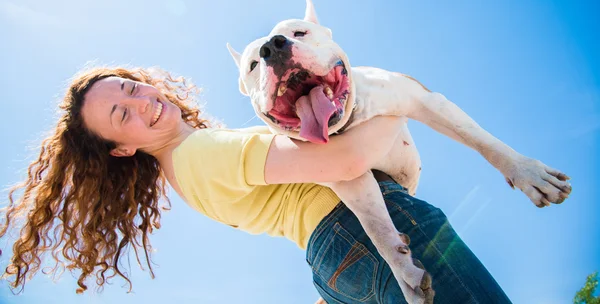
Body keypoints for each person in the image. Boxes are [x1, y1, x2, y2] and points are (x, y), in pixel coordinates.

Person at [0, 65, 512, 303]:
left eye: (133, 89)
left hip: (336, 267)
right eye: (123, 114)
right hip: (369, 232)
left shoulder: (186, 176)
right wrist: (402, 97)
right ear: (122, 149)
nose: (144, 103)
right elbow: (348, 157)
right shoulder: (200, 153)